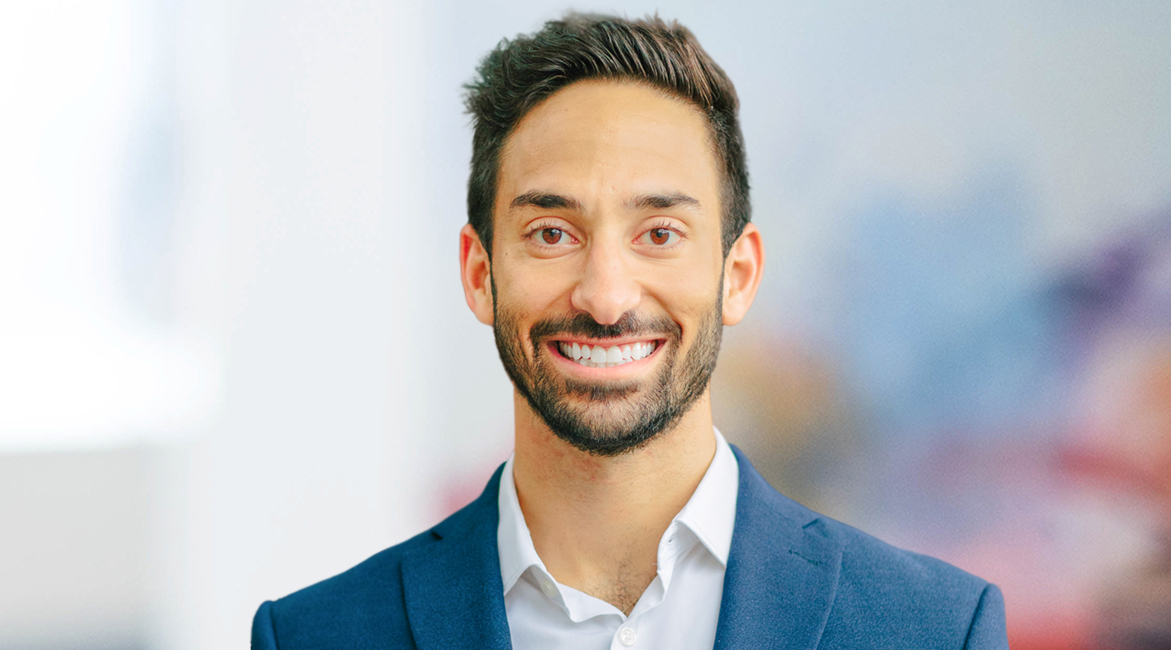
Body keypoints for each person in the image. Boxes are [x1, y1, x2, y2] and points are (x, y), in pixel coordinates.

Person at [250, 11, 1006, 650]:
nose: (607, 297)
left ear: (737, 274)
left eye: (660, 232)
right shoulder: (317, 635)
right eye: (551, 233)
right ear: (480, 274)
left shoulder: (936, 630)